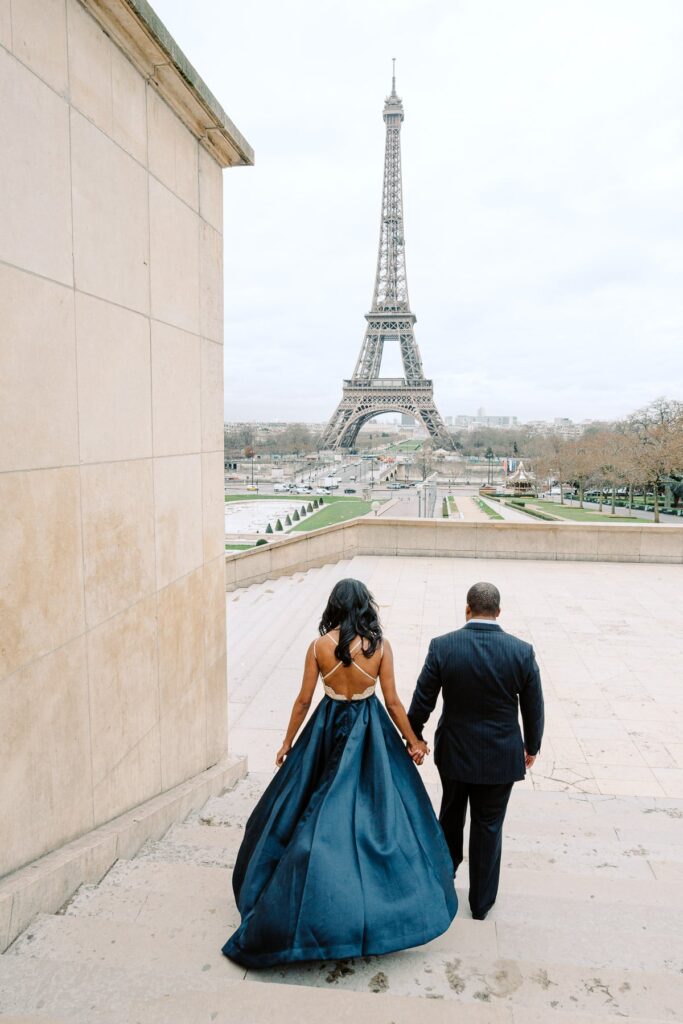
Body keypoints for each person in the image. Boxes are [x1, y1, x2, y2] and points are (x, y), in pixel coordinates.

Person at [222, 578, 457, 968]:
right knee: (376, 813)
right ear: (366, 605)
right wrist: (413, 741)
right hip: (368, 727)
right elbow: (394, 702)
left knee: (304, 807)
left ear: (333, 606)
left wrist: (287, 742)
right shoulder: (379, 647)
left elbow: (302, 701)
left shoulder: (318, 647)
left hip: (327, 727)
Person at [408, 581, 544, 921]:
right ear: (499, 612)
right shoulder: (521, 651)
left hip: (454, 753)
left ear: (467, 608)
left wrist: (415, 738)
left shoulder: (443, 647)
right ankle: (481, 903)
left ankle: (442, 883)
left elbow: (422, 700)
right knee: (488, 826)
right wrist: (532, 745)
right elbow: (534, 707)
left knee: (450, 817)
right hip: (501, 757)